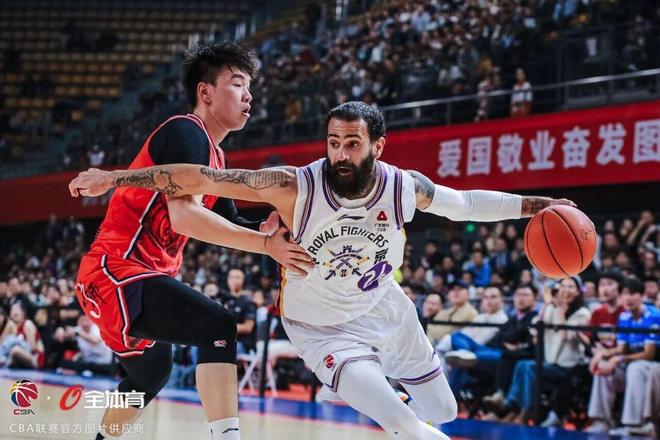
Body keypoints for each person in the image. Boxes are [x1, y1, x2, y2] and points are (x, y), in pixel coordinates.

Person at [70, 101, 576, 439]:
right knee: (402, 422)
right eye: (334, 142)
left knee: (443, 411)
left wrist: (538, 206)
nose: (340, 153)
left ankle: (374, 393)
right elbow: (199, 177)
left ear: (378, 146)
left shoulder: (403, 186)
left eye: (352, 144)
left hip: (384, 309)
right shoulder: (294, 185)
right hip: (320, 328)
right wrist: (114, 178)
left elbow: (465, 203)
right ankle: (351, 386)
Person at [69, 42, 313, 440]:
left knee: (150, 375)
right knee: (217, 324)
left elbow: (230, 220)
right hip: (118, 271)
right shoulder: (185, 131)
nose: (249, 95)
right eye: (238, 83)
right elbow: (184, 217)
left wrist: (273, 222)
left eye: (250, 87)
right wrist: (265, 245)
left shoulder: (216, 156)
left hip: (126, 277)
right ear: (205, 92)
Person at [485, 277, 591, 425]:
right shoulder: (551, 308)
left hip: (568, 367)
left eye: (570, 287)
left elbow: (565, 336)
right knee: (522, 365)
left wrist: (560, 309)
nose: (565, 290)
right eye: (563, 286)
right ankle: (513, 408)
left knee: (528, 367)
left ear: (578, 291)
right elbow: (533, 328)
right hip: (549, 363)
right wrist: (547, 304)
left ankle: (523, 411)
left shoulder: (583, 313)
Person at [586, 276, 660, 434]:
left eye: (633, 293)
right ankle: (602, 421)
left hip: (652, 365)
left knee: (635, 368)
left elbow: (649, 354)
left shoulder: (653, 316)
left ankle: (634, 424)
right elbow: (621, 348)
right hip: (632, 363)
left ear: (642, 295)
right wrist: (602, 355)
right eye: (625, 294)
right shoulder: (624, 317)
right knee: (604, 368)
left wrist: (619, 359)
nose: (628, 298)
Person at [427, 281, 479, 346]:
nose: (456, 292)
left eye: (460, 289)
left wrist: (431, 329)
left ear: (467, 293)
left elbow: (442, 334)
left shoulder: (470, 312)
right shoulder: (446, 312)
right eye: (452, 289)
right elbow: (430, 328)